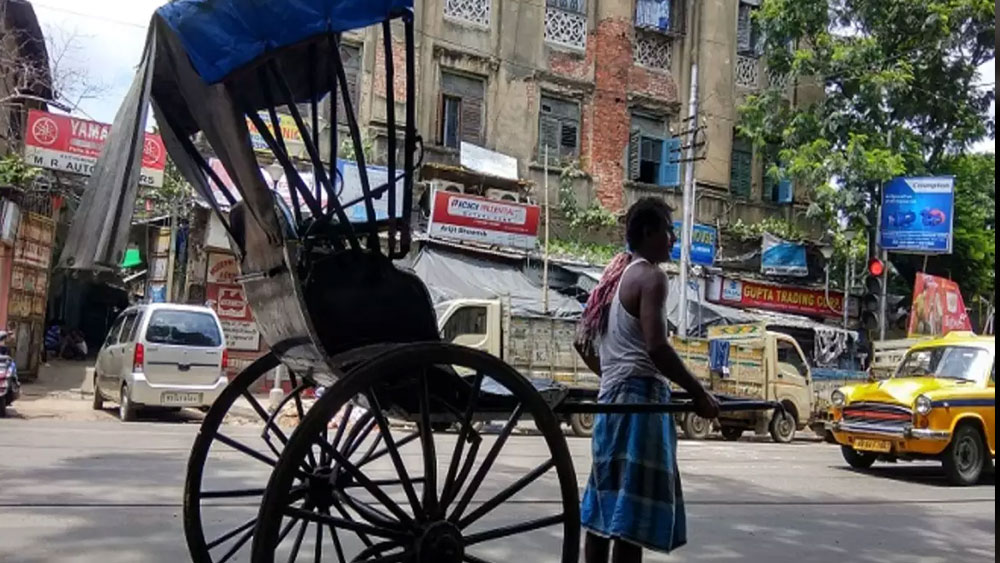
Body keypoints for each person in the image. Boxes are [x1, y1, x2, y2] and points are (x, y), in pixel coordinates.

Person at [574, 197, 720, 563]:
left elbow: (582, 342)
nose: (672, 240)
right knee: (631, 515)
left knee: (606, 506)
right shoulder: (651, 277)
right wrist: (698, 391)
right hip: (640, 402)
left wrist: (612, 374)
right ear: (649, 232)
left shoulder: (614, 276)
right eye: (669, 232)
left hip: (612, 400)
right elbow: (657, 346)